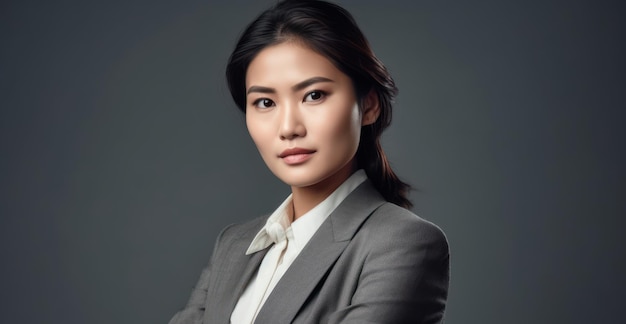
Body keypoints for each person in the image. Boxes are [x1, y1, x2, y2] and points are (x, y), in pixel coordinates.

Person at [169, 0, 449, 323]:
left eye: (314, 95)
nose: (288, 128)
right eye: (264, 102)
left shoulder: (402, 243)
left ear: (369, 105)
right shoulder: (233, 246)